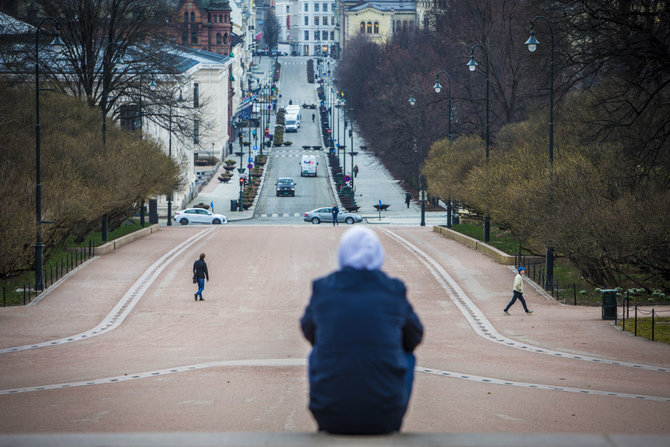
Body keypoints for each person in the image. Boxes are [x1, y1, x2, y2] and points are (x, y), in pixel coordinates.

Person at [300, 226, 423, 434]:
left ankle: (328, 401)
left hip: (330, 418)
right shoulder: (393, 289)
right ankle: (390, 407)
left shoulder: (323, 287)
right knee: (408, 355)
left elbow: (309, 331)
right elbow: (414, 337)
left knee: (316, 352)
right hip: (386, 419)